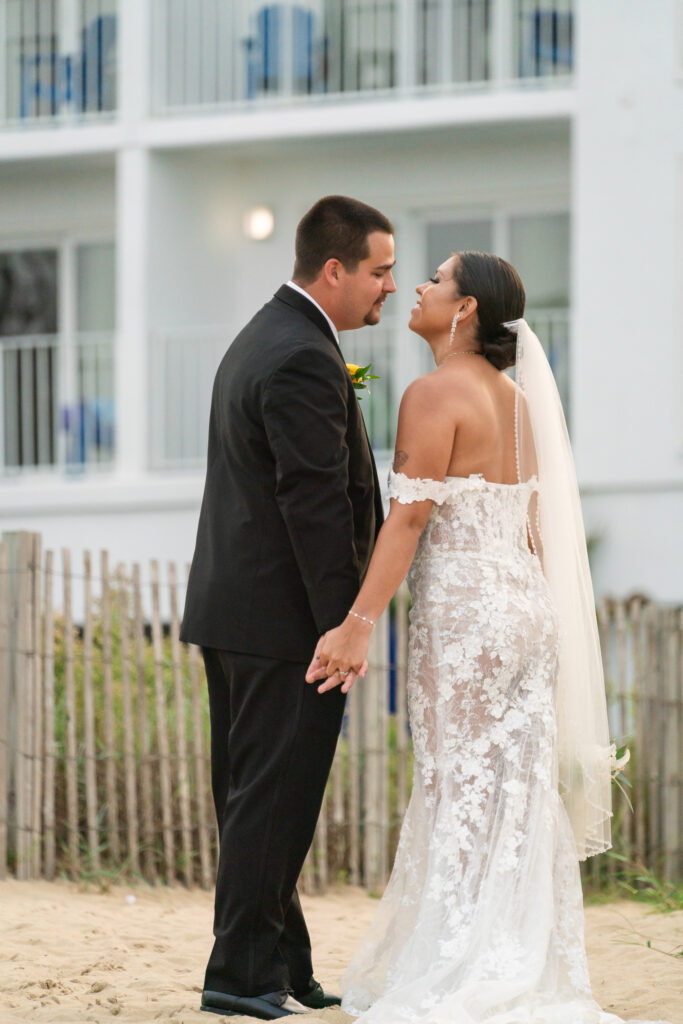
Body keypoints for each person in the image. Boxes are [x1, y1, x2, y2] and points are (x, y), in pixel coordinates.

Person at [306, 251, 662, 1023]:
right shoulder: (517, 401)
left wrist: (356, 623)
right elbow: (533, 525)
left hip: (467, 613)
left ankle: (464, 960)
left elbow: (408, 518)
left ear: (464, 310)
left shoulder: (433, 393)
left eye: (435, 280)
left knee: (456, 786)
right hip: (526, 610)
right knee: (512, 791)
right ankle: (520, 956)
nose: (419, 289)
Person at [181, 195, 396, 1020]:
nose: (387, 287)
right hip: (286, 625)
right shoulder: (302, 354)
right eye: (378, 272)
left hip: (235, 612)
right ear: (334, 270)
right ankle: (238, 976)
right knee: (272, 800)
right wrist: (344, 626)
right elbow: (314, 504)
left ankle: (281, 962)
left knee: (254, 797)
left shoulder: (266, 335)